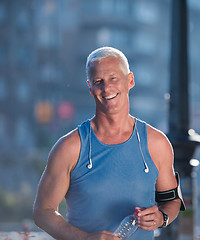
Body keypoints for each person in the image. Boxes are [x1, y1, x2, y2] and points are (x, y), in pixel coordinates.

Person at [33, 46, 183, 240]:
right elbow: (43, 212)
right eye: (98, 82)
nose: (106, 88)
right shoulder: (70, 147)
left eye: (113, 78)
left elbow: (171, 202)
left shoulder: (157, 143)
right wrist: (85, 239)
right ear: (90, 88)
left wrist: (161, 218)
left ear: (130, 80)